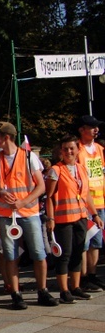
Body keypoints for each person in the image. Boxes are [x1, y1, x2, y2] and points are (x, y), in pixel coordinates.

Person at [0, 121, 59, 309]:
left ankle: (43, 291)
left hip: (29, 212)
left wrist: (23, 202)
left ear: (6, 137)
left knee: (38, 253)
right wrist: (0, 194)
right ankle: (16, 294)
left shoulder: (28, 157)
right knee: (10, 255)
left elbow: (41, 186)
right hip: (6, 215)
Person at [46, 135, 103, 303]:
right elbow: (49, 197)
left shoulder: (81, 169)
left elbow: (86, 196)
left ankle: (76, 287)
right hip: (63, 219)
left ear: (78, 150)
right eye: (65, 149)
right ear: (61, 151)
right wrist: (50, 218)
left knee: (78, 252)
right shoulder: (55, 171)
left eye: (72, 148)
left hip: (81, 217)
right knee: (65, 254)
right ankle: (64, 290)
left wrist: (95, 215)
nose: (69, 152)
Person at [77, 115, 105, 291]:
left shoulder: (100, 149)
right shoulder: (77, 150)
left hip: (100, 201)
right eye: (91, 127)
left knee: (97, 242)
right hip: (85, 203)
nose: (96, 130)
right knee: (84, 242)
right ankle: (83, 277)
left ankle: (92, 275)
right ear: (81, 129)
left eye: (97, 127)